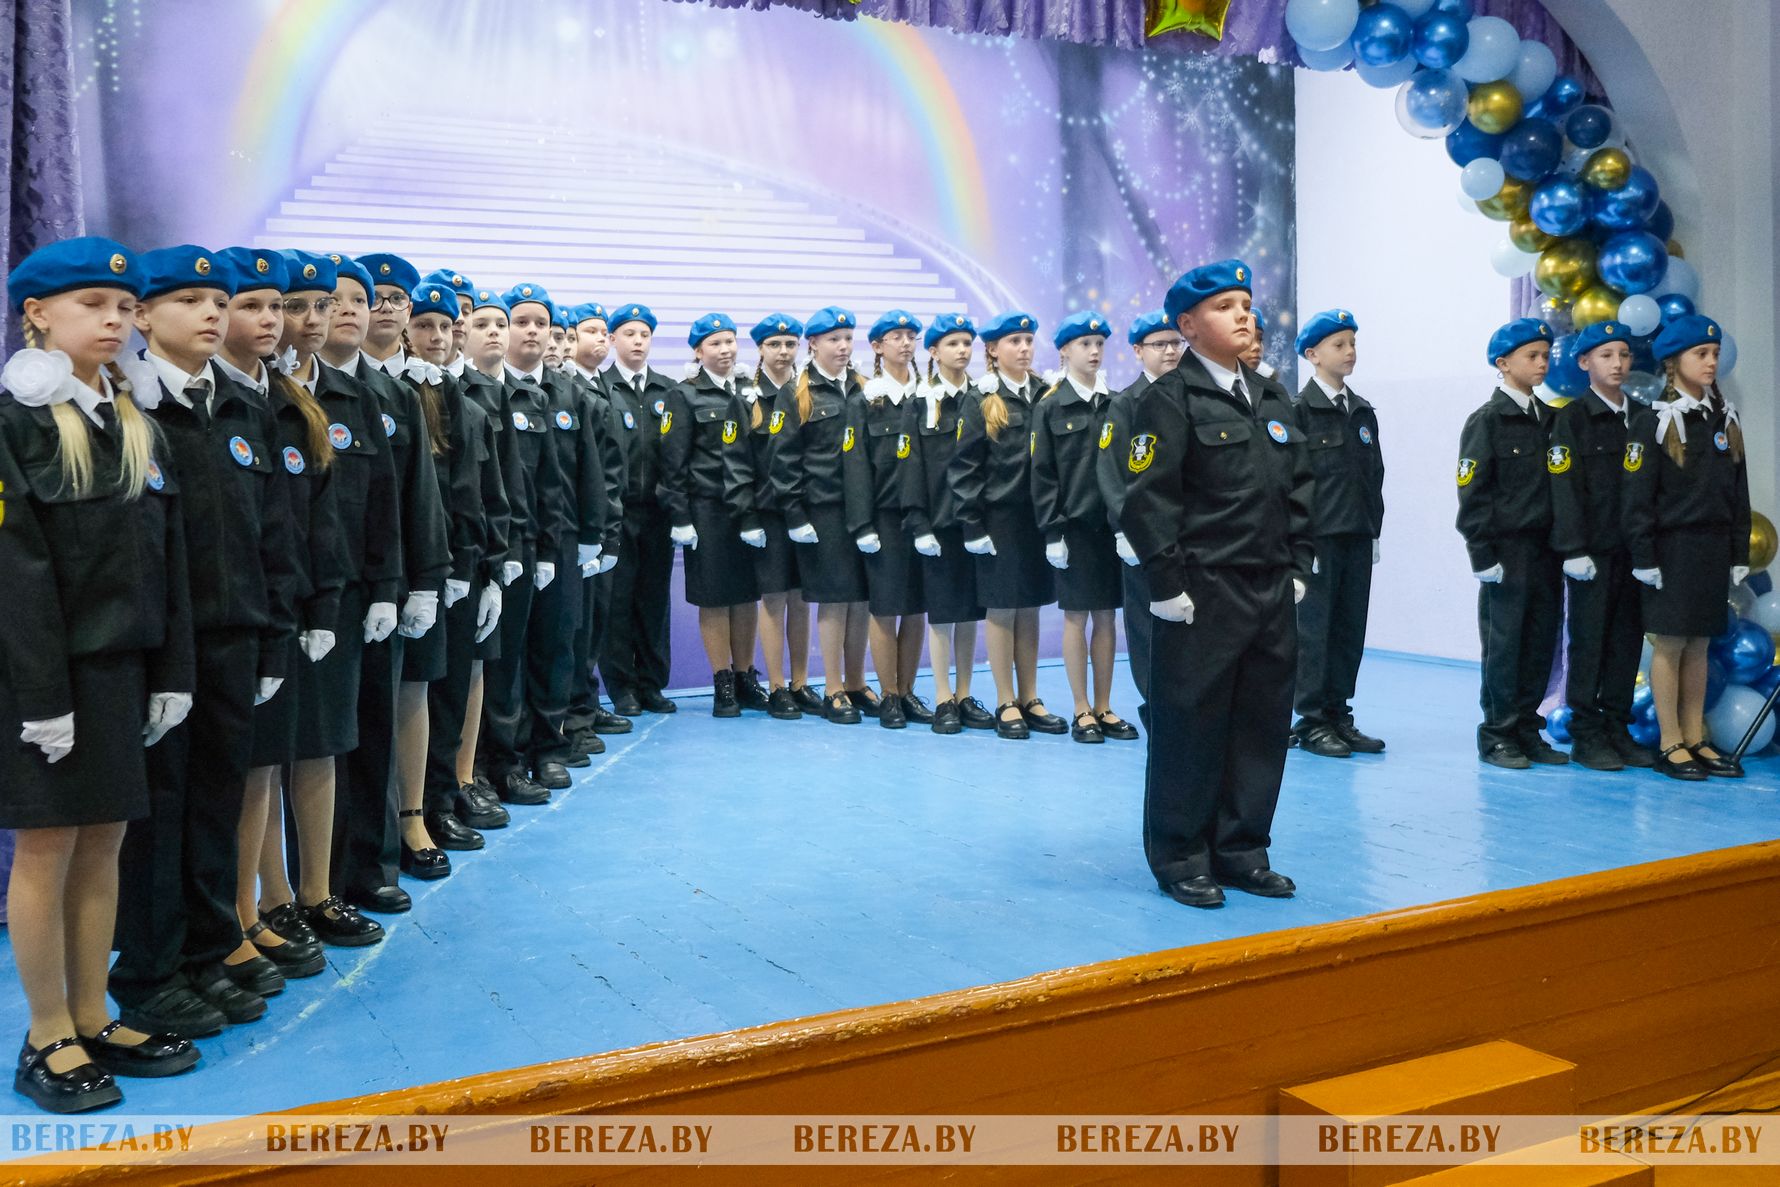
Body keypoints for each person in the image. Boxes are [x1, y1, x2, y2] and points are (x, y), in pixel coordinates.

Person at [1, 237, 200, 1110]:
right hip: (43, 681)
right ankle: (46, 1034)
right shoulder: (15, 424)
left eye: (124, 306)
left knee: (104, 842)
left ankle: (92, 1011)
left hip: (121, 673)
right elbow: (16, 574)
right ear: (37, 313)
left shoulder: (130, 421)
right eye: (92, 304)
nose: (114, 319)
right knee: (48, 848)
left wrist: (172, 670)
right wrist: (44, 698)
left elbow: (168, 559)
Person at [110, 245, 299, 1039]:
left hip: (234, 636)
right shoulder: (128, 408)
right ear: (143, 316)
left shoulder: (241, 407)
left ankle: (207, 947)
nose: (213, 313)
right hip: (161, 647)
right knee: (159, 815)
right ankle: (150, 973)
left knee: (217, 802)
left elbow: (274, 533)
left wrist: (274, 637)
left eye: (219, 300)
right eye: (190, 300)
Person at [1121, 259, 1311, 909]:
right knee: (1190, 727)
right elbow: (1148, 499)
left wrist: (1299, 565)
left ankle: (1242, 850)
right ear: (1188, 324)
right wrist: (1165, 583)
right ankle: (1181, 855)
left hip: (1269, 588)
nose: (1242, 315)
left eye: (1246, 304)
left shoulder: (1272, 396)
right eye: (1225, 306)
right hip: (1202, 591)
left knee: (1261, 724)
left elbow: (1300, 488)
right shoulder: (1168, 398)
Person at [221, 247, 334, 1005]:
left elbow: (305, 522)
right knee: (234, 777)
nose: (274, 320)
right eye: (255, 306)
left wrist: (314, 605)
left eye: (279, 306)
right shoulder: (218, 404)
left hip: (278, 611)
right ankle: (233, 918)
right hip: (226, 618)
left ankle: (259, 906)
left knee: (263, 767)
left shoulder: (285, 401)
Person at [1622, 314, 1751, 780]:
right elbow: (1636, 497)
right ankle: (1670, 741)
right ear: (1674, 362)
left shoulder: (1724, 418)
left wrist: (1738, 551)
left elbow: (1738, 490)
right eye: (1701, 354)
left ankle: (1696, 736)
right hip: (1671, 550)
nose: (1711, 361)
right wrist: (1644, 557)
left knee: (1700, 643)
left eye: (1714, 354)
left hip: (1712, 547)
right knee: (1672, 643)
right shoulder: (1653, 420)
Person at [402, 281, 506, 855]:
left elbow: (483, 496)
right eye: (425, 325)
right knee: (414, 695)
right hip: (410, 571)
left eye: (446, 326)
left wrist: (488, 570)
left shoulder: (467, 407)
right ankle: (410, 811)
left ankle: (440, 801)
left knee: (447, 694)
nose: (437, 336)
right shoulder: (395, 399)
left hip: (459, 569)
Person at [1455, 318, 1568, 770]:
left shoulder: (1552, 420)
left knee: (1540, 641)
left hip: (1547, 549)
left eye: (1544, 355)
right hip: (1506, 552)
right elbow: (1472, 491)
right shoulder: (1488, 421)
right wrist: (1481, 553)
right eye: (1531, 356)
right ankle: (1498, 734)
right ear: (1503, 364)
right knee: (1505, 645)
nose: (1541, 363)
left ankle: (1526, 727)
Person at [1548, 320, 1652, 771]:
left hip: (1635, 553)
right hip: (1592, 553)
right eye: (1606, 355)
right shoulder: (1572, 419)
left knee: (1626, 642)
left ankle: (1616, 727)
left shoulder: (1644, 417)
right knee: (1589, 643)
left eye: (1624, 354)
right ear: (1584, 362)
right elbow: (1565, 488)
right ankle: (1586, 733)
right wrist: (1572, 549)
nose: (1617, 363)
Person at [952, 311, 1062, 739]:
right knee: (1001, 609)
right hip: (998, 520)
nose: (1024, 348)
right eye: (1014, 341)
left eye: (1028, 340)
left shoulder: (1045, 394)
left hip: (1037, 518)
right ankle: (1004, 700)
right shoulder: (981, 399)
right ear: (993, 350)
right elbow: (964, 466)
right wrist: (972, 525)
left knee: (1030, 606)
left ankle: (1030, 697)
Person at [1031, 311, 1135, 744]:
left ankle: (1105, 705)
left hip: (1111, 530)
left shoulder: (1117, 403)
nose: (1094, 352)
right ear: (1064, 351)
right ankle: (1081, 708)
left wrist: (1127, 526)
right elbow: (1043, 474)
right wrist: (1052, 532)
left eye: (1099, 345)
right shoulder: (1051, 406)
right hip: (1073, 529)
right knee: (1076, 618)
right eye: (1084, 345)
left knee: (1107, 617)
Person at [1290, 309, 1385, 758]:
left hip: (1356, 535)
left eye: (1353, 343)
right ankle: (1311, 721)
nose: (1350, 352)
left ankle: (1338, 714)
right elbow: (1290, 482)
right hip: (1318, 540)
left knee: (1349, 630)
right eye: (1339, 345)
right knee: (1314, 633)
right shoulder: (1298, 411)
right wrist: (1298, 541)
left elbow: (1374, 475)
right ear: (1313, 355)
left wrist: (1374, 530)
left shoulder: (1361, 410)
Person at [660, 313, 764, 714]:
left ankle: (745, 677)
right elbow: (673, 463)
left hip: (748, 511)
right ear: (698, 351)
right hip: (707, 510)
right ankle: (722, 682)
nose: (725, 350)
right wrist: (681, 517)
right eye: (715, 344)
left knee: (747, 596)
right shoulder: (684, 396)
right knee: (715, 598)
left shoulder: (750, 390)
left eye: (729, 342)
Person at [775, 306, 874, 723]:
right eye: (834, 339)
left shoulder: (864, 388)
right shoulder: (797, 392)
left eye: (848, 338)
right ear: (813, 344)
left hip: (864, 510)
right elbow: (783, 459)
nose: (843, 346)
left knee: (861, 599)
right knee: (835, 599)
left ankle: (856, 682)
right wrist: (795, 515)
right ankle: (833, 687)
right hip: (824, 510)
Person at [1095, 310, 1181, 732]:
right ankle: (1157, 709)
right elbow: (1112, 471)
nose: (1170, 351)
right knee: (1147, 627)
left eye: (1175, 343)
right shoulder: (1127, 403)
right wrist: (1124, 528)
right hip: (1144, 535)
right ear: (1137, 350)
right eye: (1159, 344)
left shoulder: (1190, 397)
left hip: (1189, 533)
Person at [732, 314, 822, 718]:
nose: (783, 352)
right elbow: (738, 463)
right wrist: (748, 516)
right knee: (773, 600)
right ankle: (776, 685)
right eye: (774, 345)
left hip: (804, 511)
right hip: (768, 513)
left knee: (801, 598)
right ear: (760, 349)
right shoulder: (746, 398)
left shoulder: (807, 393)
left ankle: (800, 683)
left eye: (790, 345)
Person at [847, 311, 929, 730]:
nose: (905, 343)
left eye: (911, 335)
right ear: (877, 346)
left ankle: (908, 690)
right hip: (884, 519)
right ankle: (889, 695)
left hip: (925, 521)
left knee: (916, 608)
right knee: (884, 608)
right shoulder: (866, 400)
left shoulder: (928, 395)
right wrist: (862, 525)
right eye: (896, 336)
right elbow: (856, 466)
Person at [905, 314, 986, 734]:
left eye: (967, 343)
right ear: (934, 352)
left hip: (976, 525)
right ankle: (942, 696)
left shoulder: (984, 397)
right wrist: (919, 524)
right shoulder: (920, 402)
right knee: (942, 613)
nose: (962, 350)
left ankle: (965, 692)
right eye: (953, 343)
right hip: (938, 524)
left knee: (970, 612)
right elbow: (910, 468)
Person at [600, 304, 678, 717]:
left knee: (654, 601)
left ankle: (652, 683)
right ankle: (622, 687)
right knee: (617, 602)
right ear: (613, 339)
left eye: (644, 335)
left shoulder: (668, 390)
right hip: (619, 512)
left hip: (659, 514)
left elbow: (677, 453)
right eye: (629, 334)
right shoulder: (603, 387)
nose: (638, 342)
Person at [561, 302, 629, 749]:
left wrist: (610, 533)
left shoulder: (607, 388)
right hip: (579, 526)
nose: (600, 339)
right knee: (573, 629)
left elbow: (614, 472)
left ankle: (584, 703)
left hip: (603, 525)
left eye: (605, 331)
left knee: (592, 625)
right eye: (589, 331)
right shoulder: (569, 391)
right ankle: (573, 716)